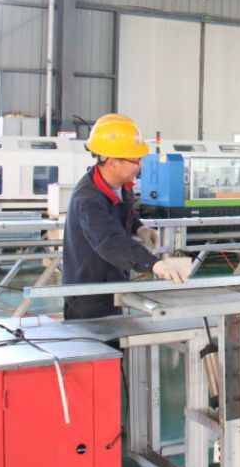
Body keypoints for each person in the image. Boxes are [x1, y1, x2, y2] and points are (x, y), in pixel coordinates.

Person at [62, 113, 191, 320]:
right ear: (113, 162)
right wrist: (154, 264)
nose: (140, 165)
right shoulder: (88, 199)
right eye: (135, 160)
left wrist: (139, 228)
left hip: (112, 284)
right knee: (97, 340)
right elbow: (110, 241)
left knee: (116, 335)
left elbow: (121, 214)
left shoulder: (121, 185)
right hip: (89, 294)